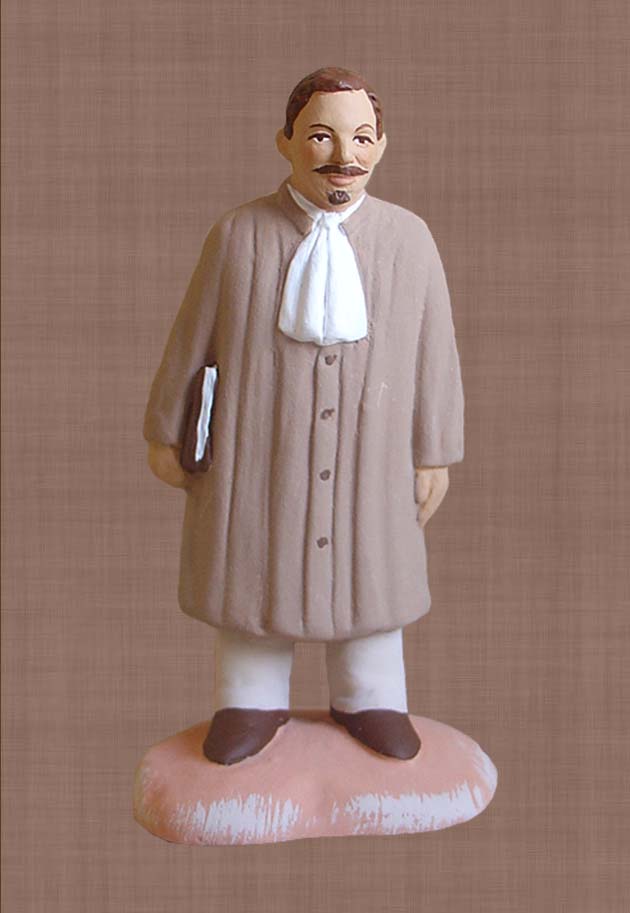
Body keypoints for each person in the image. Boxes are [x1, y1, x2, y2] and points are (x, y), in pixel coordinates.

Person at [143, 67, 464, 765]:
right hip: (259, 452)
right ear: (285, 142)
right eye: (321, 136)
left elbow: (435, 352)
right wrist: (165, 430)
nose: (343, 155)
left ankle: (371, 697)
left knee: (371, 569)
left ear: (381, 147)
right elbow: (191, 337)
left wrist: (435, 449)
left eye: (361, 138)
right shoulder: (238, 235)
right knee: (255, 569)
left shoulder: (410, 240)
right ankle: (250, 700)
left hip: (373, 456)